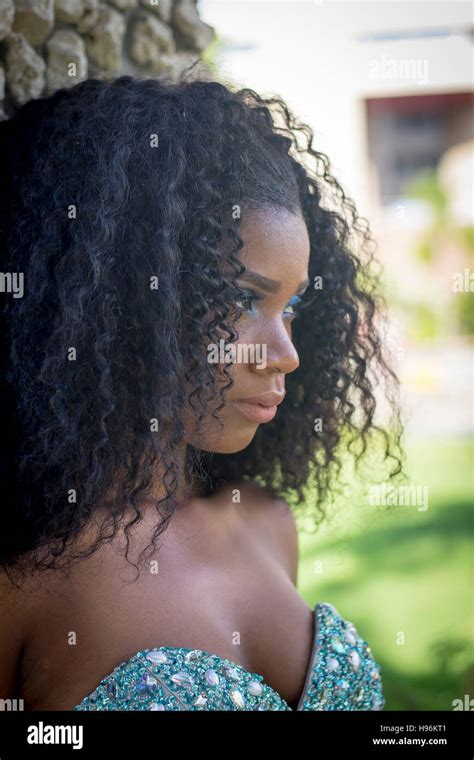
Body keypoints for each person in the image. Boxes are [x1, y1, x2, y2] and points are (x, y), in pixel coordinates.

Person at [0, 72, 403, 711]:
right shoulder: (25, 575)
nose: (286, 354)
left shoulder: (268, 525)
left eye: (291, 305)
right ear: (123, 295)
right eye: (244, 298)